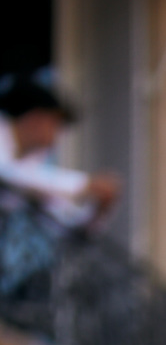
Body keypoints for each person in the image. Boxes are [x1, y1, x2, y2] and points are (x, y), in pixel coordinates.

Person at [0, 67, 120, 302]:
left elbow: (67, 222)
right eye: (54, 124)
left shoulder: (29, 164)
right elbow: (8, 175)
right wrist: (84, 186)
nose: (55, 137)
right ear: (34, 119)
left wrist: (99, 209)